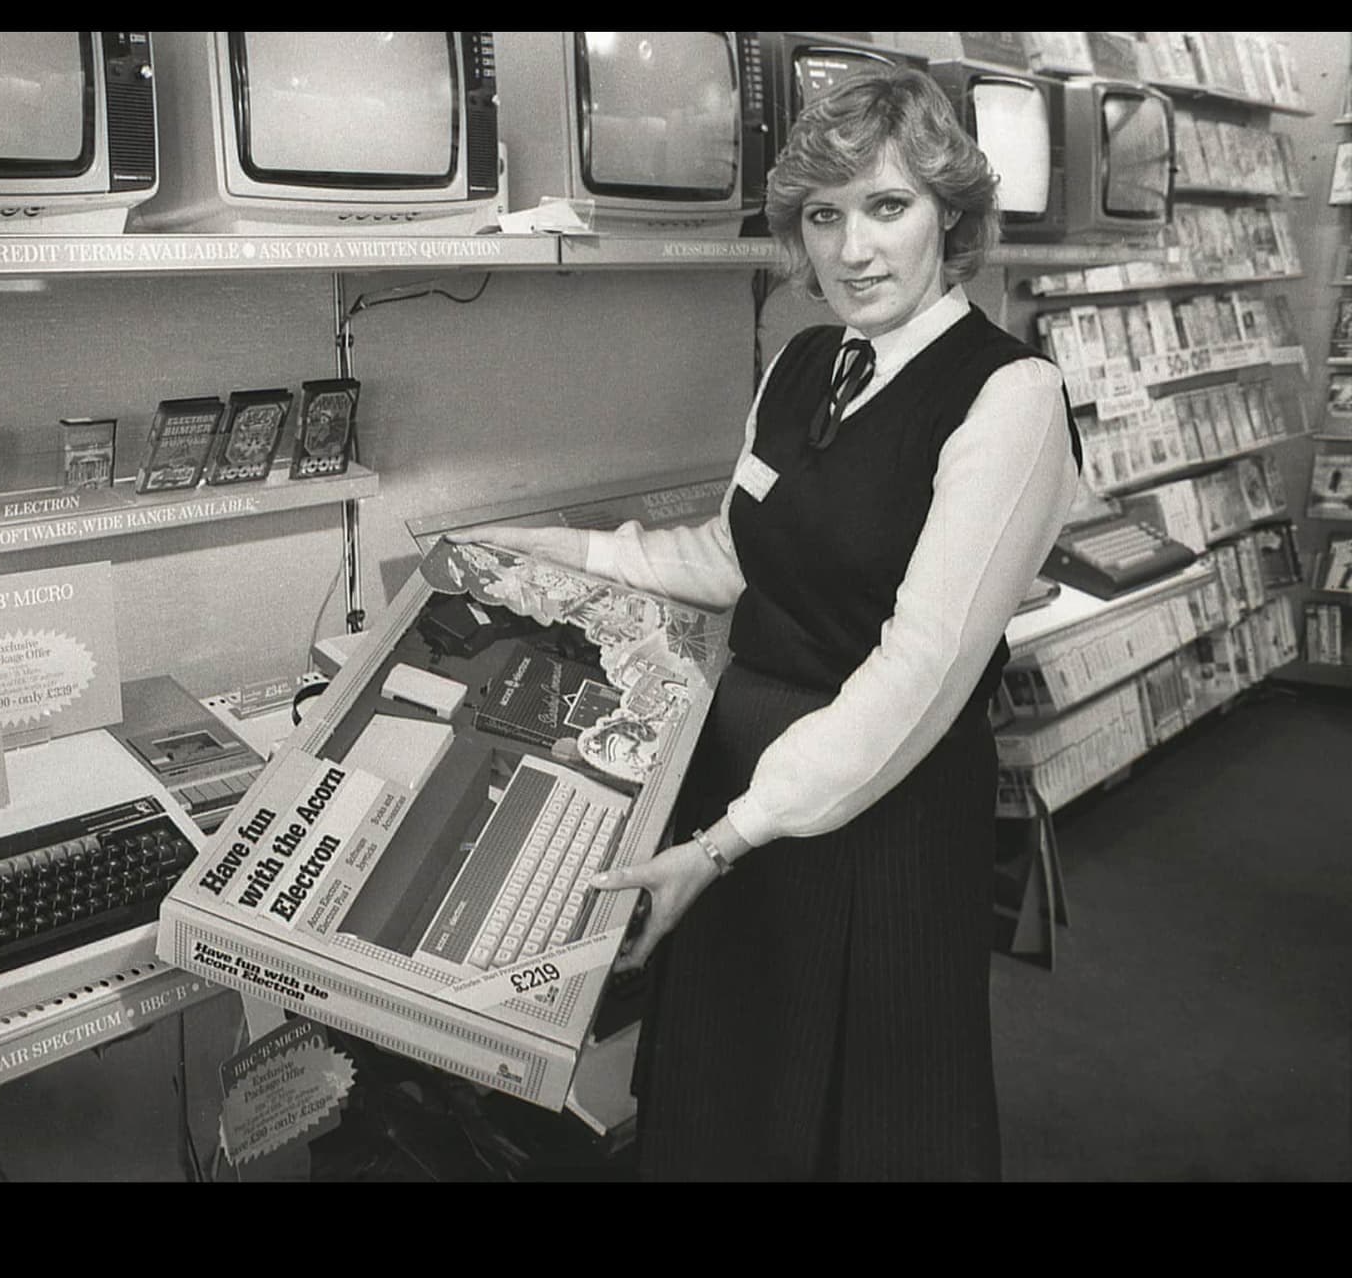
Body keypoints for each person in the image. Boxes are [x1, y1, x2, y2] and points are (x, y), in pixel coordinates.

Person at [460, 67, 1081, 1181]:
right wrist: (568, 550)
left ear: (950, 215)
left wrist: (723, 842)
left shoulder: (1009, 396)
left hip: (881, 809)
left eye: (887, 207)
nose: (853, 249)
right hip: (740, 786)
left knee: (866, 1120)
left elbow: (920, 673)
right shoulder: (805, 364)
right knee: (730, 1095)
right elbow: (736, 555)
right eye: (824, 216)